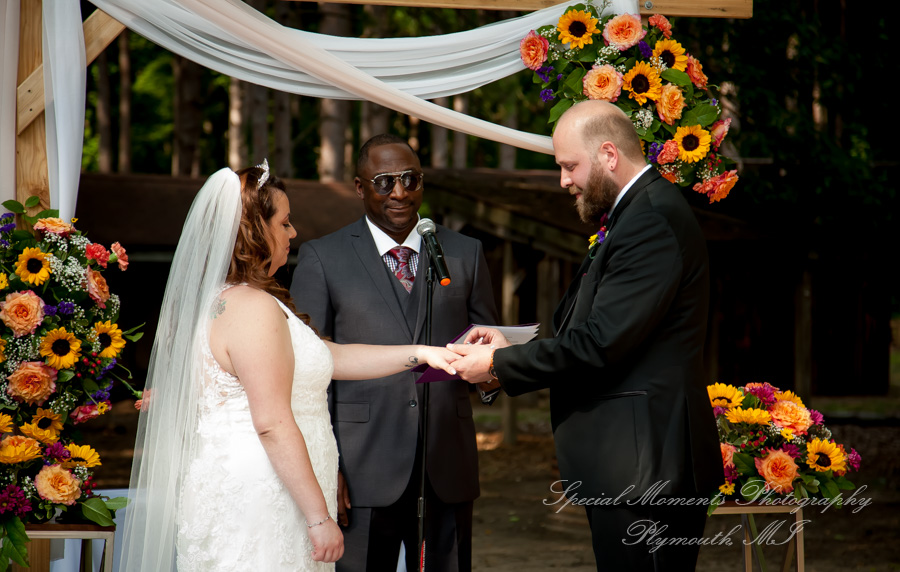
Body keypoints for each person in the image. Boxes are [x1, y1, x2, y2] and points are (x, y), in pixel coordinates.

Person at [118, 161, 460, 572]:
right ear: (253, 230)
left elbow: (327, 357)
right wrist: (318, 517)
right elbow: (271, 422)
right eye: (284, 222)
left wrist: (419, 353)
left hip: (266, 485)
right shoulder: (252, 308)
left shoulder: (230, 300)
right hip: (265, 493)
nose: (293, 233)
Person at [449, 101, 722, 571]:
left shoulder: (650, 221)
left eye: (569, 165)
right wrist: (510, 344)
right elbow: (597, 329)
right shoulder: (633, 214)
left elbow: (601, 344)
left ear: (609, 155)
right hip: (632, 463)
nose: (564, 180)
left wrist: (497, 366)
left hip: (645, 465)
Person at [290, 134, 499, 571]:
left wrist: (496, 372)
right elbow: (308, 373)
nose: (399, 192)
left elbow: (489, 345)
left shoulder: (464, 253)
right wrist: (328, 468)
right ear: (359, 186)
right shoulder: (321, 258)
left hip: (448, 460)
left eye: (410, 179)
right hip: (362, 464)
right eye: (384, 182)